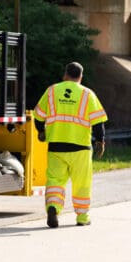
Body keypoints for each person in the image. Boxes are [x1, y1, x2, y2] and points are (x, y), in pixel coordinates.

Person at [33, 62, 108, 228]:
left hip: (56, 146)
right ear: (80, 77)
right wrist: (100, 141)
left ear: (65, 74)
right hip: (80, 148)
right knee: (81, 183)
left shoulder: (52, 91)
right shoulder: (88, 94)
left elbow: (38, 116)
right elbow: (98, 123)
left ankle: (53, 207)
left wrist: (41, 131)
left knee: (54, 180)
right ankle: (82, 217)